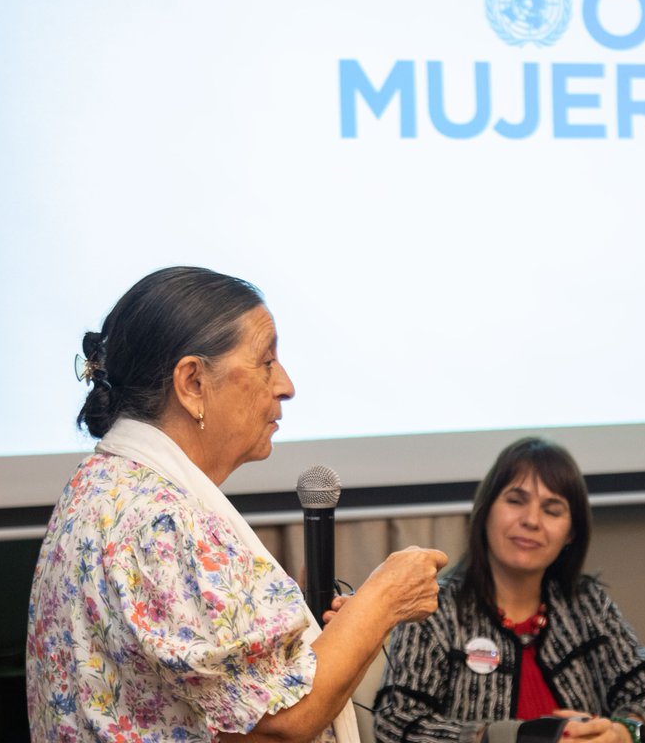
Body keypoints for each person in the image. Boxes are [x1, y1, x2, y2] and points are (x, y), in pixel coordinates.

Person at [26, 266, 448, 742]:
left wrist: (349, 629)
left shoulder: (103, 483)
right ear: (192, 383)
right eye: (266, 362)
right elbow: (279, 727)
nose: (286, 385)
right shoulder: (162, 520)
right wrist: (384, 600)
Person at [373, 437, 645, 743]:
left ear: (571, 532)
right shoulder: (432, 608)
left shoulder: (586, 604)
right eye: (515, 501)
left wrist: (623, 732)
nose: (531, 520)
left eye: (552, 509)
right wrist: (510, 738)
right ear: (486, 510)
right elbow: (395, 725)